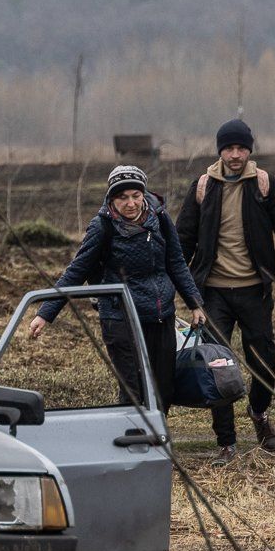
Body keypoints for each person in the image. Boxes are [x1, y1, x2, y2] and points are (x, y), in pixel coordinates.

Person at [176, 119, 275, 463]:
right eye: (229, 148)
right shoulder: (202, 187)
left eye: (241, 148)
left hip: (254, 291)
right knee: (217, 367)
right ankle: (226, 443)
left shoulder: (264, 185)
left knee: (265, 364)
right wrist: (175, 288)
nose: (236, 154)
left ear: (249, 151)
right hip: (212, 294)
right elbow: (182, 241)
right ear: (220, 151)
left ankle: (258, 413)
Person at [26, 165, 205, 411]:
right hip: (120, 319)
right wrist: (45, 313)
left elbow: (176, 263)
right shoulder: (103, 227)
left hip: (160, 316)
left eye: (135, 195)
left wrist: (194, 303)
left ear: (144, 195)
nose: (130, 203)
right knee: (134, 389)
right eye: (122, 197)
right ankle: (133, 439)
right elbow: (76, 271)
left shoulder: (160, 219)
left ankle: (157, 442)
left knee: (163, 388)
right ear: (111, 198)